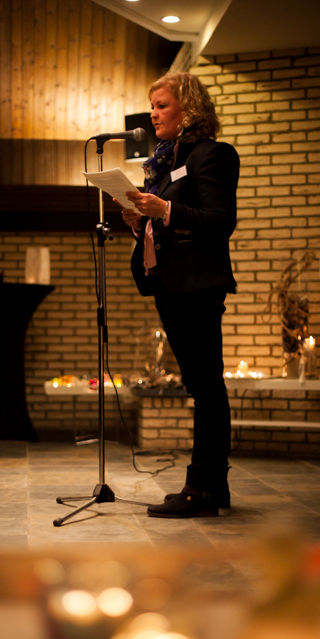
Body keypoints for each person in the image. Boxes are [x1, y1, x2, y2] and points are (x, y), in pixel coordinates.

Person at [117, 72, 239, 518]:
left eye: (162, 105)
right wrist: (141, 221)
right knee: (199, 384)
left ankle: (202, 488)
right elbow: (172, 221)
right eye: (152, 106)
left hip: (198, 285)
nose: (153, 113)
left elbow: (220, 220)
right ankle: (214, 487)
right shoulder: (167, 163)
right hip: (169, 281)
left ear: (188, 109)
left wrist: (164, 209)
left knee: (206, 386)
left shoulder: (215, 155)